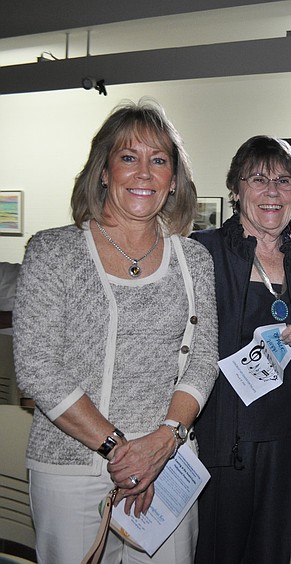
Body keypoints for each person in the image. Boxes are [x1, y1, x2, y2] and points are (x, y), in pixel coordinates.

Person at [13, 99, 219, 564]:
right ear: (104, 171)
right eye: (129, 157)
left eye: (159, 160)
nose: (144, 172)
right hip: (70, 468)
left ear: (173, 180)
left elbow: (203, 360)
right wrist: (122, 452)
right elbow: (36, 367)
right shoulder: (53, 251)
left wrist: (163, 443)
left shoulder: (194, 260)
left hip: (167, 465)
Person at [191, 136, 291, 563]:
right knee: (217, 551)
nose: (271, 191)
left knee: (271, 551)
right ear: (235, 189)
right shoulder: (202, 252)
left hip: (289, 435)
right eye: (258, 179)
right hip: (221, 436)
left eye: (284, 181)